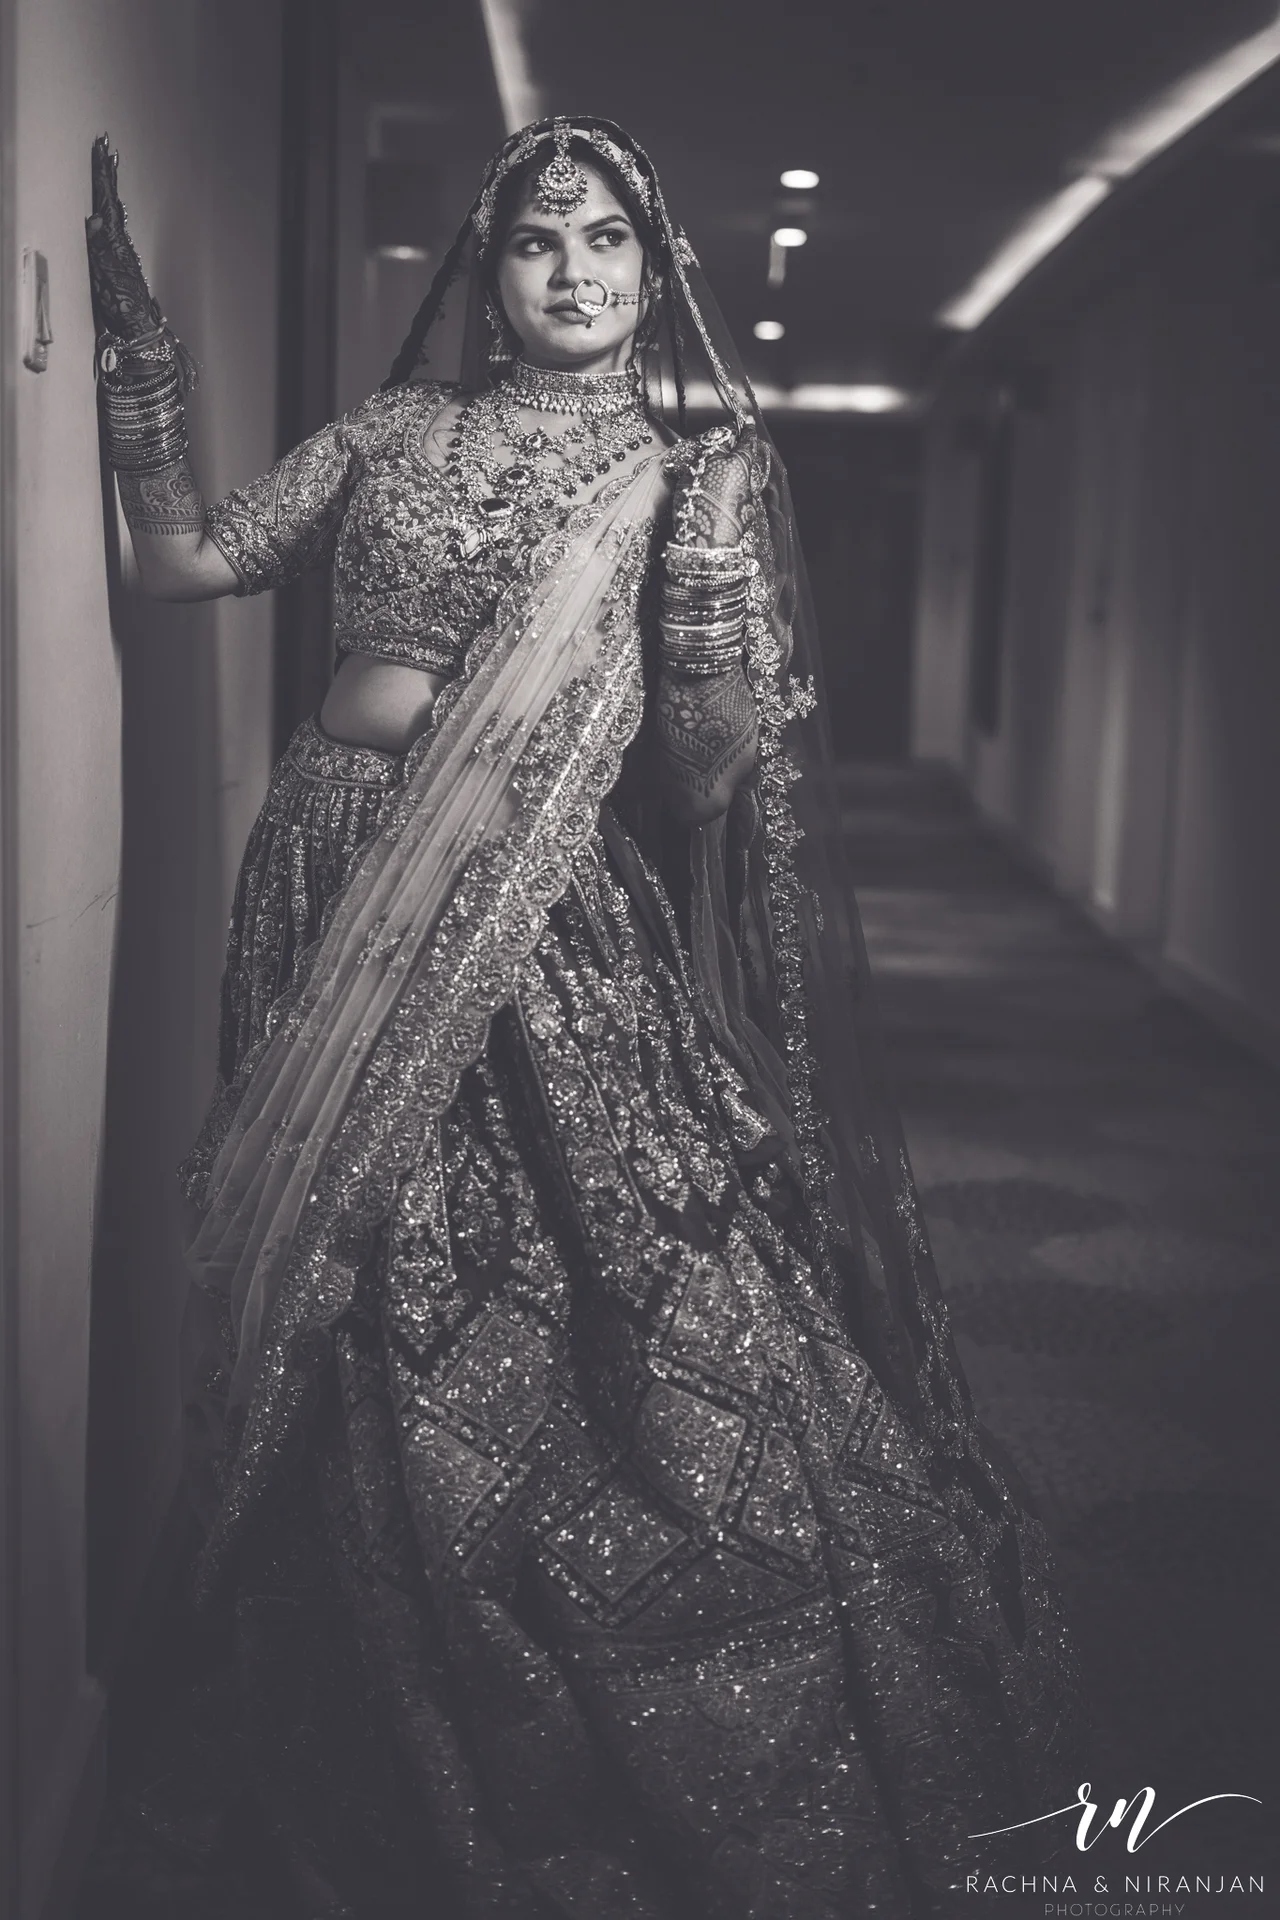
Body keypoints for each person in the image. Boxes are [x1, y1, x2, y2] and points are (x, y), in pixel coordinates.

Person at [86, 117, 1080, 1920]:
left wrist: (712, 621)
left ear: (654, 268)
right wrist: (134, 366)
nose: (572, 272)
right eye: (539, 241)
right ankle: (355, 1662)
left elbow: (699, 786)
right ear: (487, 269)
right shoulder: (390, 431)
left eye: (606, 240)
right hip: (327, 863)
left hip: (542, 913)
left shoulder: (678, 480)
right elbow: (182, 567)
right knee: (347, 1277)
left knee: (578, 1261)